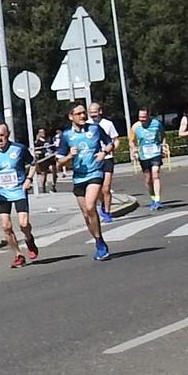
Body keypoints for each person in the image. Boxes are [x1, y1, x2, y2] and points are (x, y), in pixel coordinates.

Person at [56, 104, 114, 261]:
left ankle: (100, 244)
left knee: (90, 206)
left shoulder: (95, 129)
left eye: (84, 113)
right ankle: (99, 240)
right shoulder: (66, 135)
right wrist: (69, 156)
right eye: (79, 113)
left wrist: (104, 152)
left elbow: (110, 142)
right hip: (78, 177)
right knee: (86, 215)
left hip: (95, 172)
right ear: (71, 116)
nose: (83, 116)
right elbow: (59, 162)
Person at [0, 124, 39, 268]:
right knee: (6, 226)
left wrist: (29, 179)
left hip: (19, 190)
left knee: (23, 224)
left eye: (2, 135)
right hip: (2, 193)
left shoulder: (19, 149)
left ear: (8, 134)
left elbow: (33, 163)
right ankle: (18, 255)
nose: (0, 139)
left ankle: (29, 239)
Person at [89, 102, 120, 222]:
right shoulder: (87, 126)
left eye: (95, 112)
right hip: (94, 160)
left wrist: (111, 149)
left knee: (106, 188)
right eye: (90, 113)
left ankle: (107, 213)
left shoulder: (108, 124)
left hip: (107, 158)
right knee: (98, 189)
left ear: (100, 111)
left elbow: (115, 140)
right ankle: (103, 202)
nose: (93, 115)